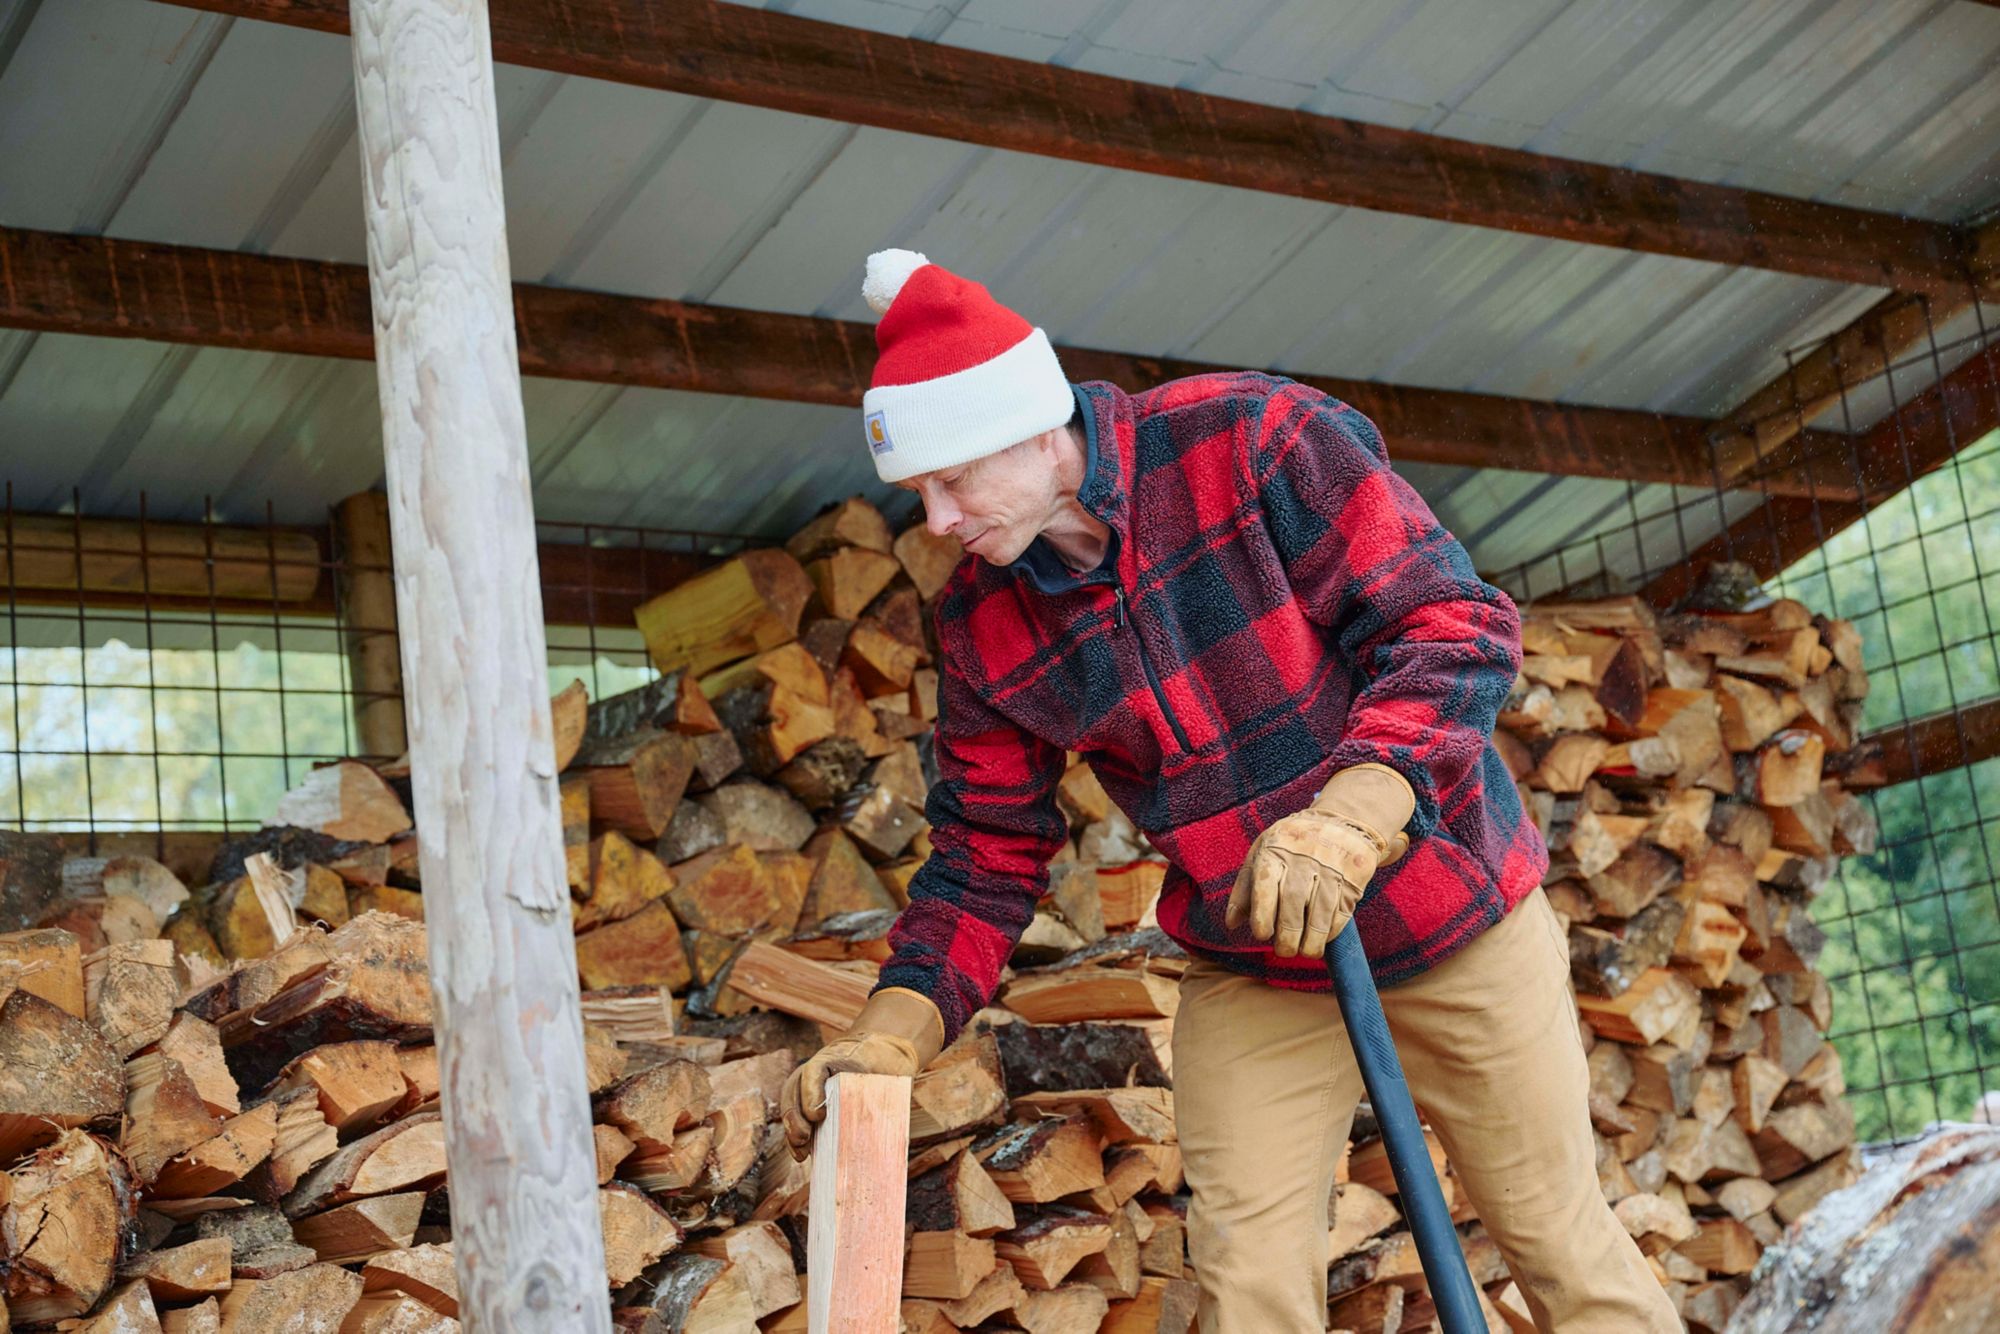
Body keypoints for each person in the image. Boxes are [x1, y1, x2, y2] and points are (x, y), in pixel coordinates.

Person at [779, 249, 1678, 1332]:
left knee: (1558, 1243)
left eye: (953, 479)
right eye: (918, 492)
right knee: (1247, 1281)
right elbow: (985, 850)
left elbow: (1451, 626)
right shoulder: (983, 622)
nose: (935, 520)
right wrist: (896, 1026)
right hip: (1258, 960)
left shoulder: (1250, 440)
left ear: (1033, 429)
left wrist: (1356, 811)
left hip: (1453, 921)